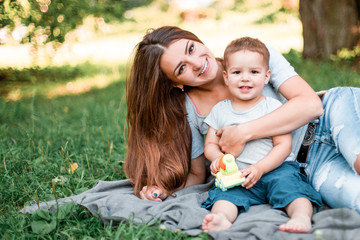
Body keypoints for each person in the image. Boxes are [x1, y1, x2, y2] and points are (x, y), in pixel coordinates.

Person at [125, 26, 360, 214]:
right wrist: (163, 189)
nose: (197, 63)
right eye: (181, 68)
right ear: (175, 82)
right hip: (307, 166)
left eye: (191, 49)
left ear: (196, 39)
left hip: (334, 114)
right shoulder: (190, 111)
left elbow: (312, 105)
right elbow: (198, 174)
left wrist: (244, 132)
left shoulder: (252, 54)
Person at [200, 37, 321, 233]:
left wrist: (260, 168)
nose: (245, 78)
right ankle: (221, 219)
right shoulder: (219, 111)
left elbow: (283, 146)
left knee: (292, 190)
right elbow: (211, 144)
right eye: (237, 72)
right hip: (237, 175)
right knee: (224, 197)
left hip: (274, 169)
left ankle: (301, 217)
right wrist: (217, 158)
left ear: (266, 77)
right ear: (225, 76)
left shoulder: (272, 107)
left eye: (254, 72)